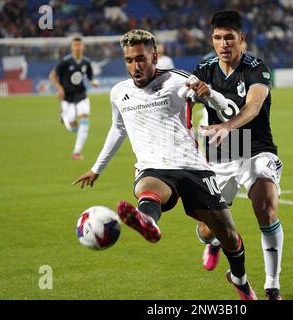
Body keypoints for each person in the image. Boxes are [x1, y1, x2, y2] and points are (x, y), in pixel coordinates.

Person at [72, 29, 257, 300]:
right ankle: (148, 221)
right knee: (148, 187)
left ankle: (240, 281)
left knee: (226, 234)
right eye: (128, 60)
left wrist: (211, 95)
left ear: (154, 57)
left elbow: (227, 109)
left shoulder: (179, 80)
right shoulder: (118, 93)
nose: (135, 66)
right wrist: (96, 168)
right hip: (153, 167)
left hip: (193, 167)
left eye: (140, 59)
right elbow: (117, 129)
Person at [188, 10, 284, 300]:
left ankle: (272, 287)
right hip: (220, 154)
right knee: (207, 229)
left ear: (241, 38)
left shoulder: (257, 68)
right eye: (217, 38)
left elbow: (254, 106)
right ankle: (215, 239)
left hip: (256, 147)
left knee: (266, 208)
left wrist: (227, 125)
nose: (223, 43)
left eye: (229, 37)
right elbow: (184, 106)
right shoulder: (203, 69)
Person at [49, 37, 99, 160]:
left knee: (85, 122)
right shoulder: (65, 62)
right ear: (72, 47)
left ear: (83, 47)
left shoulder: (86, 62)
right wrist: (60, 89)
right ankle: (64, 117)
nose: (77, 47)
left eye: (79, 45)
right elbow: (52, 75)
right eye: (75, 45)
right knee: (72, 127)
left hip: (82, 95)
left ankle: (76, 151)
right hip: (67, 97)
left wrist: (93, 82)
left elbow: (90, 76)